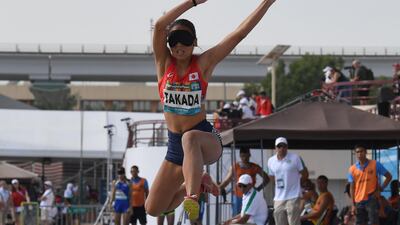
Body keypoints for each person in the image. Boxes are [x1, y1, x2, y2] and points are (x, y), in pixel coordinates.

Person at [147, 0, 277, 221]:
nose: (180, 45)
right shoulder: (163, 63)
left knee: (189, 138)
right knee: (154, 208)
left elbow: (239, 34)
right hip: (175, 147)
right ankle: (198, 181)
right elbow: (160, 26)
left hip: (205, 138)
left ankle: (193, 195)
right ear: (168, 43)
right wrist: (193, 2)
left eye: (186, 40)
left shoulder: (203, 63)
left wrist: (267, 2)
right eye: (174, 40)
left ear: (195, 42)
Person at [267, 137, 309, 225]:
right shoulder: (271, 161)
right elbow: (271, 176)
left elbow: (305, 173)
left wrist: (299, 183)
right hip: (279, 197)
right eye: (279, 146)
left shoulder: (296, 158)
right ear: (275, 148)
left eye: (284, 146)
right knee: (279, 222)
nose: (281, 148)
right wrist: (278, 185)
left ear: (287, 147)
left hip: (293, 196)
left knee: (293, 222)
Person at [348, 144, 392, 225]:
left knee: (373, 222)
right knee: (359, 223)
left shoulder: (375, 164)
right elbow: (352, 187)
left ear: (366, 152)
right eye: (357, 152)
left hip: (371, 198)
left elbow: (389, 176)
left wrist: (381, 189)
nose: (359, 154)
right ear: (355, 154)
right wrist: (353, 205)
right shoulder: (352, 169)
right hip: (359, 201)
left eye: (361, 151)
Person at [219, 148, 269, 216]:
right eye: (242, 156)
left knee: (249, 216)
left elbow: (267, 178)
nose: (244, 158)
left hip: (250, 196)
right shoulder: (235, 167)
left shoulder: (255, 167)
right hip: (238, 196)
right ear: (240, 156)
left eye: (246, 156)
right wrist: (218, 187)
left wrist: (258, 189)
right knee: (236, 216)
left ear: (249, 155)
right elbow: (227, 180)